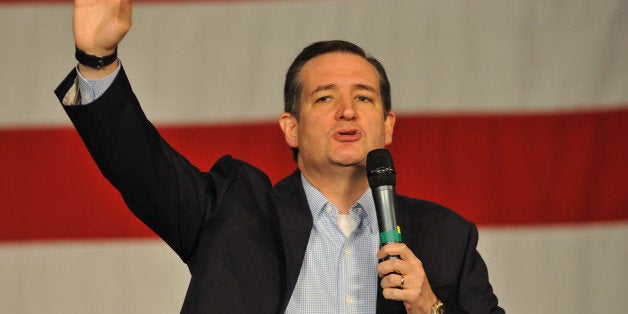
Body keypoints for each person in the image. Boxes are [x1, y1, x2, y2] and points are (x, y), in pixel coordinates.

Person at [55, 1, 504, 313]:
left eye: (364, 98)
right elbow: (138, 164)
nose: (348, 110)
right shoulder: (234, 213)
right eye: (325, 98)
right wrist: (97, 58)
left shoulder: (446, 237)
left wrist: (429, 307)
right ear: (291, 127)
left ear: (388, 126)